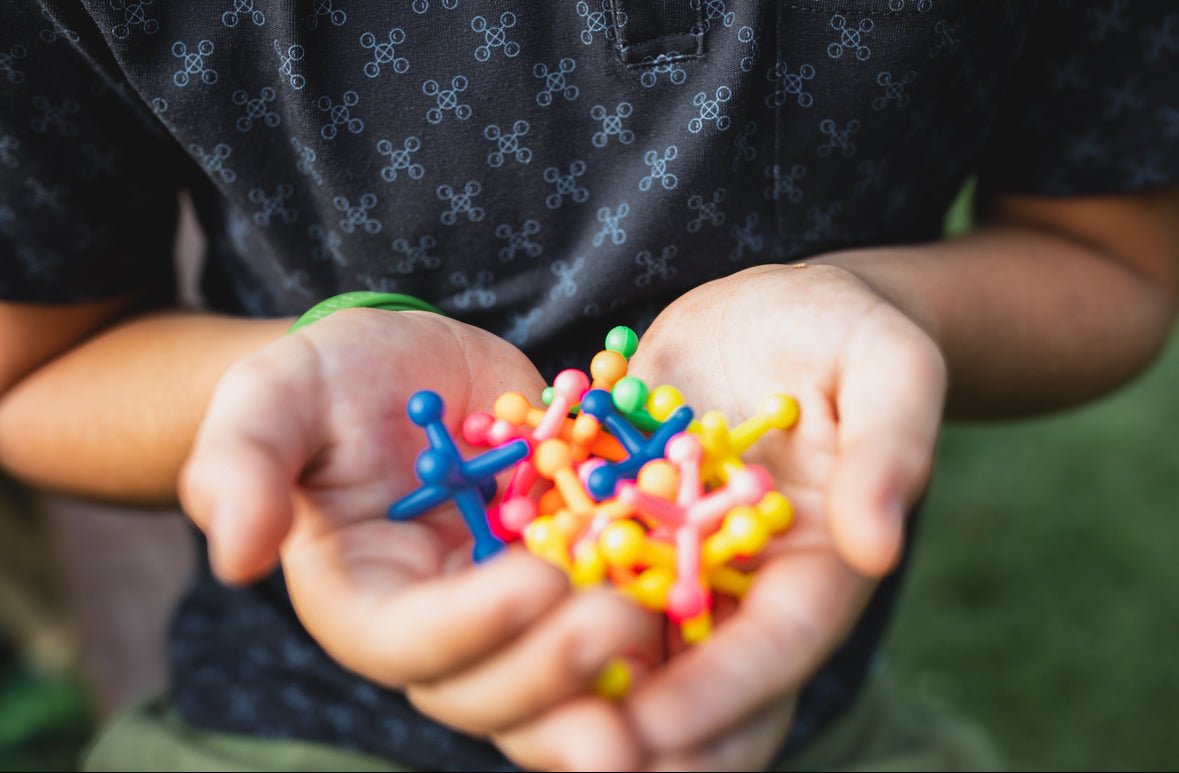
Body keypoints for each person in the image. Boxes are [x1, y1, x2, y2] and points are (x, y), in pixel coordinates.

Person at [1, 1, 1177, 770]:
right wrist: (283, 383)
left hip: (811, 701)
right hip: (289, 711)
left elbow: (1113, 259)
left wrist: (891, 305)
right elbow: (33, 368)